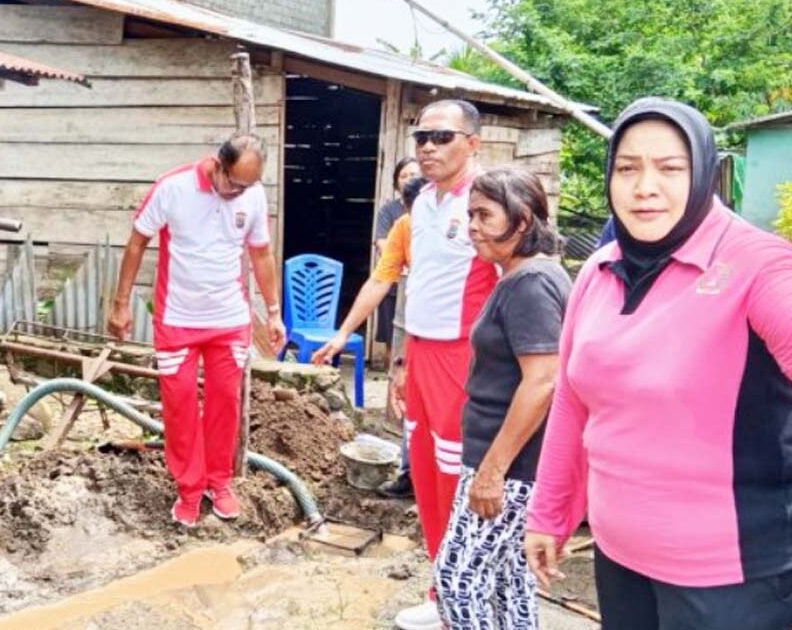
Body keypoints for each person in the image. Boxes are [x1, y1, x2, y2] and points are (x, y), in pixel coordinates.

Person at [525, 97, 792, 629]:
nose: (645, 186)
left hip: (732, 580)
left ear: (704, 176)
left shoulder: (757, 268)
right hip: (620, 559)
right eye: (628, 168)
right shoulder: (601, 270)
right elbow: (573, 406)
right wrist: (549, 515)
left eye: (671, 168)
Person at [312, 99, 497, 630]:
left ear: (473, 143)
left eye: (442, 137)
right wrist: (360, 342)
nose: (429, 147)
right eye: (421, 137)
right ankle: (445, 594)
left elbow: (524, 278)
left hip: (470, 360)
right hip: (423, 355)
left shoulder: (490, 203)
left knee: (465, 482)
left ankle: (474, 599)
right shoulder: (421, 210)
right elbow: (387, 283)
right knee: (429, 481)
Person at [107, 134, 285, 527]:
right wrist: (120, 304)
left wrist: (273, 312)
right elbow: (138, 242)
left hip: (229, 320)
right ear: (218, 164)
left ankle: (219, 482)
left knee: (225, 401)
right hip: (177, 319)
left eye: (246, 186)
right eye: (233, 183)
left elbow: (261, 253)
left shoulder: (252, 195)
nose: (237, 192)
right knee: (181, 404)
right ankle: (189, 488)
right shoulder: (174, 186)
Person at [432, 167, 569, 629]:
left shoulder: (530, 284)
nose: (472, 226)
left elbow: (542, 381)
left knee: (457, 581)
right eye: (470, 214)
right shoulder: (526, 277)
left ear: (523, 220)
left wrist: (491, 471)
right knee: (511, 583)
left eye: (485, 215)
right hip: (514, 465)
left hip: (509, 469)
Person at [375, 175, 428, 500]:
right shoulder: (404, 226)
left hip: (461, 340)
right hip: (417, 330)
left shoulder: (466, 228)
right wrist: (342, 335)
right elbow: (381, 278)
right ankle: (410, 475)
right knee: (411, 403)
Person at [373, 157, 422, 363]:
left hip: (420, 285)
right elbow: (382, 243)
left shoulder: (430, 210)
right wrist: (398, 260)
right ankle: (390, 379)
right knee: (391, 338)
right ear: (396, 183)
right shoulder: (389, 211)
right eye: (403, 176)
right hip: (393, 284)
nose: (408, 179)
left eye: (413, 175)